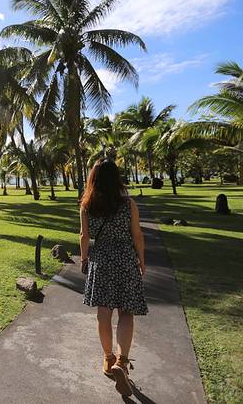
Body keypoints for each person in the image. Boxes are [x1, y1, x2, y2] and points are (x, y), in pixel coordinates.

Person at [79, 158, 148, 397]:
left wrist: (84, 259)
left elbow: (84, 236)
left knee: (104, 312)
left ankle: (108, 358)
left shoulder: (87, 205)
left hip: (101, 260)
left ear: (94, 179)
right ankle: (122, 361)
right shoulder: (128, 204)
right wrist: (141, 260)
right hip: (126, 258)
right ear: (116, 178)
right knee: (126, 312)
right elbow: (137, 235)